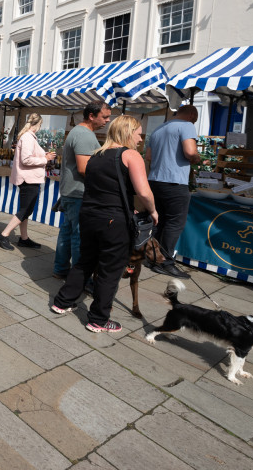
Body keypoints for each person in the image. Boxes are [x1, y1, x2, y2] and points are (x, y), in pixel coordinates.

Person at [52, 115, 158, 333]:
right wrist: (153, 210)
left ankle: (62, 301)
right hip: (113, 221)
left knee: (85, 261)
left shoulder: (96, 155)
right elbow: (143, 191)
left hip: (90, 215)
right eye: (138, 134)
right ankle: (98, 319)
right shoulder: (131, 155)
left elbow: (103, 188)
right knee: (110, 270)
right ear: (128, 132)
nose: (141, 139)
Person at [52, 101, 112, 279]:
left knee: (67, 233)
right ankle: (80, 277)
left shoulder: (79, 132)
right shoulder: (85, 135)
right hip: (78, 192)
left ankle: (61, 269)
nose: (108, 121)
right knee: (79, 237)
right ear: (91, 116)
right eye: (105, 116)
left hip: (72, 191)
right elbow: (84, 168)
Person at [145, 105, 201, 279]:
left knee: (158, 221)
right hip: (175, 182)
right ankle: (166, 262)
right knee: (174, 223)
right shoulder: (187, 126)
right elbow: (190, 152)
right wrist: (199, 159)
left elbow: (149, 156)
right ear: (192, 114)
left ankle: (152, 257)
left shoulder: (159, 128)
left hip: (155, 180)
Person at [0, 113, 56, 250]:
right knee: (25, 209)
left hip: (28, 177)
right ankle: (3, 235)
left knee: (25, 209)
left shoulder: (28, 137)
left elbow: (28, 157)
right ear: (39, 124)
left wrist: (44, 156)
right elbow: (26, 159)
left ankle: (24, 238)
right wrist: (45, 159)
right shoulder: (28, 137)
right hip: (28, 178)